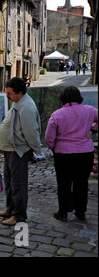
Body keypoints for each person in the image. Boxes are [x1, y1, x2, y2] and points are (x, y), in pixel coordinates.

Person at [45, 86, 98, 222]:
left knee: (64, 182)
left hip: (64, 153)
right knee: (82, 182)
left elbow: (49, 137)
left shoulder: (57, 115)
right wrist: (93, 131)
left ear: (63, 98)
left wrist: (52, 147)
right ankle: (80, 211)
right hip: (85, 152)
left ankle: (63, 212)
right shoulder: (90, 110)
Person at [0, 77, 42, 226]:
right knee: (9, 182)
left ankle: (19, 215)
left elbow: (31, 131)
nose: (7, 96)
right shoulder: (18, 102)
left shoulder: (26, 107)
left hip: (18, 151)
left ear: (19, 93)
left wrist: (36, 149)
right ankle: (10, 209)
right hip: (10, 150)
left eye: (9, 93)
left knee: (18, 184)